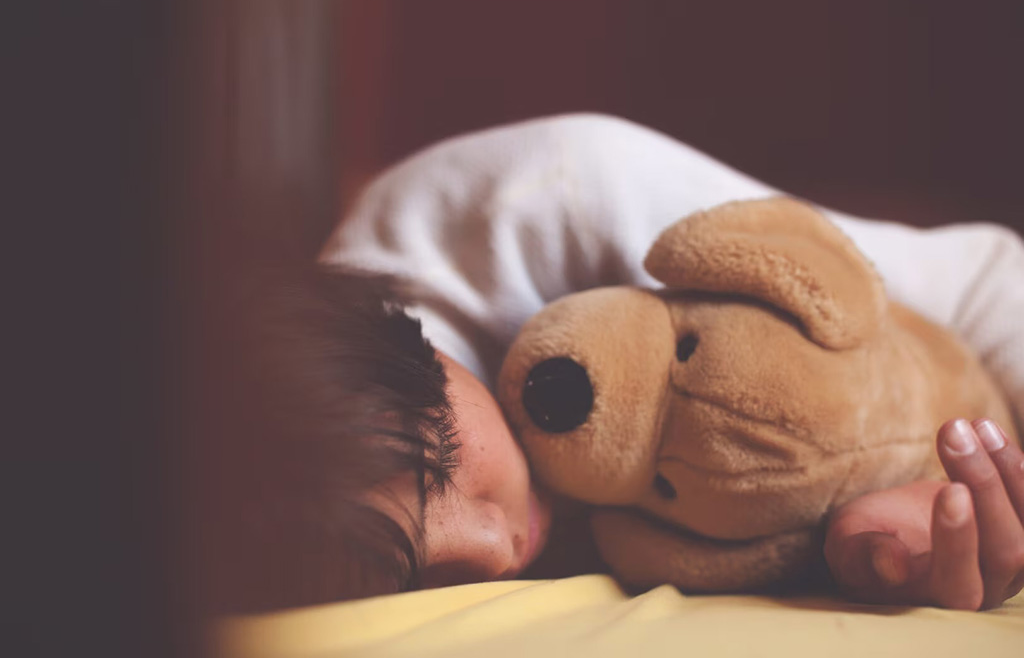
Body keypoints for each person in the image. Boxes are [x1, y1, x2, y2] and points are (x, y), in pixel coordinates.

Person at [218, 114, 1024, 613]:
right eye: (411, 578)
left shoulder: (553, 201)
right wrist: (868, 547)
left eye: (444, 465)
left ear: (403, 339)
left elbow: (992, 282)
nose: (498, 546)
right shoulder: (281, 539)